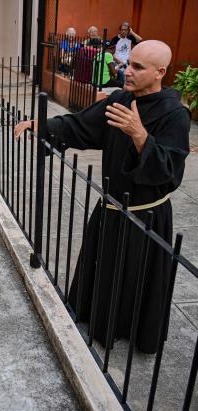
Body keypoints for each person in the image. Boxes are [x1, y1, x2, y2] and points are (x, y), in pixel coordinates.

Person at [14, 40, 191, 353]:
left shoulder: (175, 114)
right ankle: (98, 319)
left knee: (136, 277)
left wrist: (140, 135)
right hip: (112, 206)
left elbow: (170, 172)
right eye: (128, 63)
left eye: (138, 67)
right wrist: (40, 125)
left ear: (160, 72)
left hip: (146, 215)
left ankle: (131, 330)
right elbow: (81, 125)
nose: (127, 70)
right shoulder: (122, 98)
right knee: (105, 266)